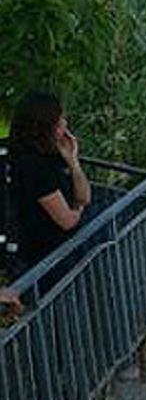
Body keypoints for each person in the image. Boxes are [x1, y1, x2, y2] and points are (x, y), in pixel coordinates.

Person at [9, 91, 92, 270]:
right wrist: (78, 209)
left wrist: (73, 162)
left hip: (50, 252)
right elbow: (67, 220)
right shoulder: (32, 166)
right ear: (45, 125)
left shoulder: (49, 153)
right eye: (59, 119)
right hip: (46, 258)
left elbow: (85, 196)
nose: (65, 124)